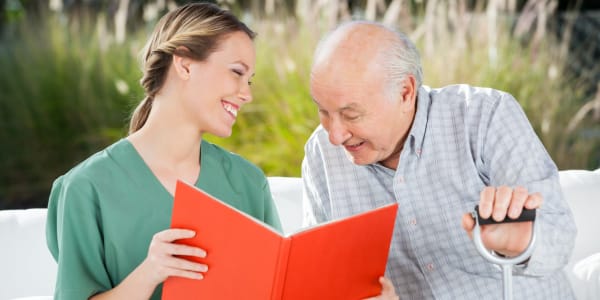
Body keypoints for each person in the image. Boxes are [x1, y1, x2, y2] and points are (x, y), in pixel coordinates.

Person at [302, 20, 577, 299]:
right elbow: (323, 273)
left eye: (351, 115)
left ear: (405, 93)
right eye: (323, 111)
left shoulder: (485, 117)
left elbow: (560, 238)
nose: (335, 136)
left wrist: (522, 244)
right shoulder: (320, 155)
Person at [45, 3, 282, 299]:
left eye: (249, 80)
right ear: (184, 65)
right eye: (237, 72)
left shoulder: (248, 183)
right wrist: (150, 273)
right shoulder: (86, 189)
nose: (247, 94)